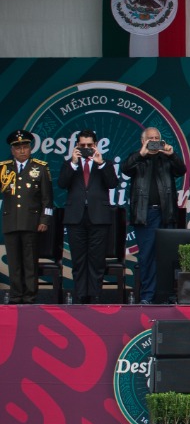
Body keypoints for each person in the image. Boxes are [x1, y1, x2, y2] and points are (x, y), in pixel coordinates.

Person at [118, 126, 185, 304]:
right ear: (143, 141)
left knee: (168, 256)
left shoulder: (166, 157)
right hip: (145, 214)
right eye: (151, 138)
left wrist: (172, 155)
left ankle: (167, 295)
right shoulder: (138, 158)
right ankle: (148, 296)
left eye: (157, 138)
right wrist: (142, 153)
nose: (154, 141)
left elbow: (182, 170)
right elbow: (125, 169)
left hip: (166, 213)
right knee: (147, 256)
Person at [57, 129, 117, 303]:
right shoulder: (69, 164)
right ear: (76, 146)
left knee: (97, 259)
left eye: (89, 145)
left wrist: (101, 163)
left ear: (96, 145)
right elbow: (62, 183)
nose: (86, 148)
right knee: (78, 259)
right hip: (75, 217)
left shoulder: (105, 163)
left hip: (98, 217)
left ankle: (95, 295)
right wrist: (74, 163)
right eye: (82, 145)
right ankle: (81, 296)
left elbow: (113, 183)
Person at [2, 130, 52, 304]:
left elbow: (48, 200)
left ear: (30, 148)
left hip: (31, 222)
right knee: (14, 263)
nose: (22, 151)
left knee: (30, 262)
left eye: (25, 147)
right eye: (18, 148)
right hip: (10, 221)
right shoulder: (4, 168)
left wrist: (44, 220)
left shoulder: (40, 168)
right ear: (12, 150)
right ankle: (16, 295)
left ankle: (30, 296)